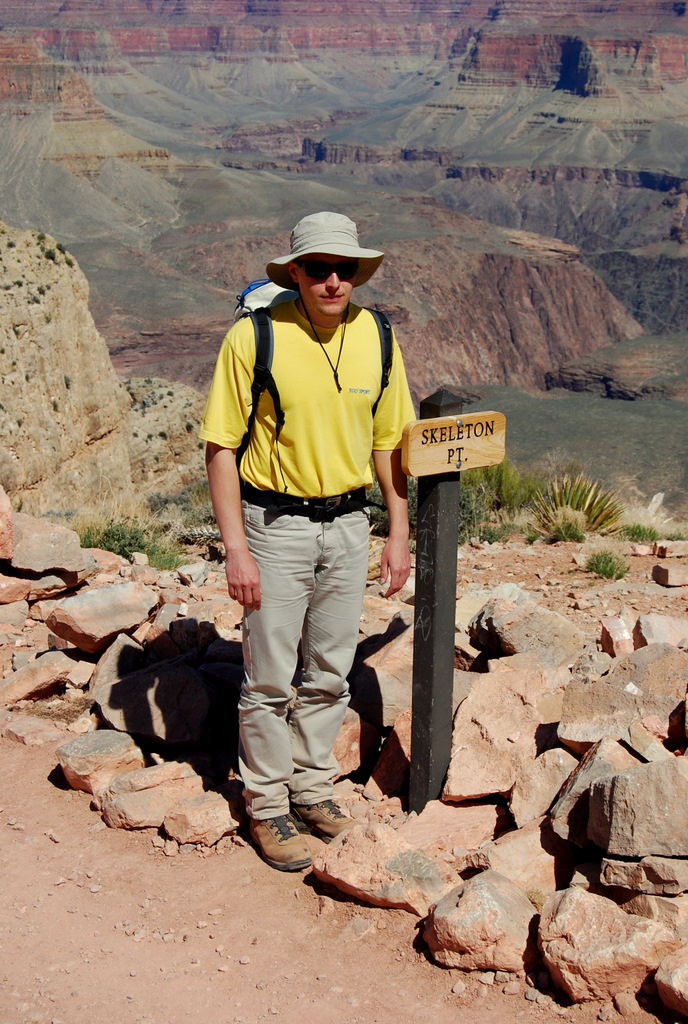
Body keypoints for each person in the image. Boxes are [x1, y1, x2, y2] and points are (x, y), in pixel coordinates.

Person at [200, 211, 415, 872]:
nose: (331, 282)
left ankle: (311, 788)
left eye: (343, 270)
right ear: (293, 273)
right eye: (317, 269)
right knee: (268, 677)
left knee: (328, 670)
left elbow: (389, 442)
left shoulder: (377, 335)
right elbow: (221, 446)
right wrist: (236, 547)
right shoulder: (255, 337)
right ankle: (266, 806)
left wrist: (397, 530)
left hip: (350, 526)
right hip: (275, 528)